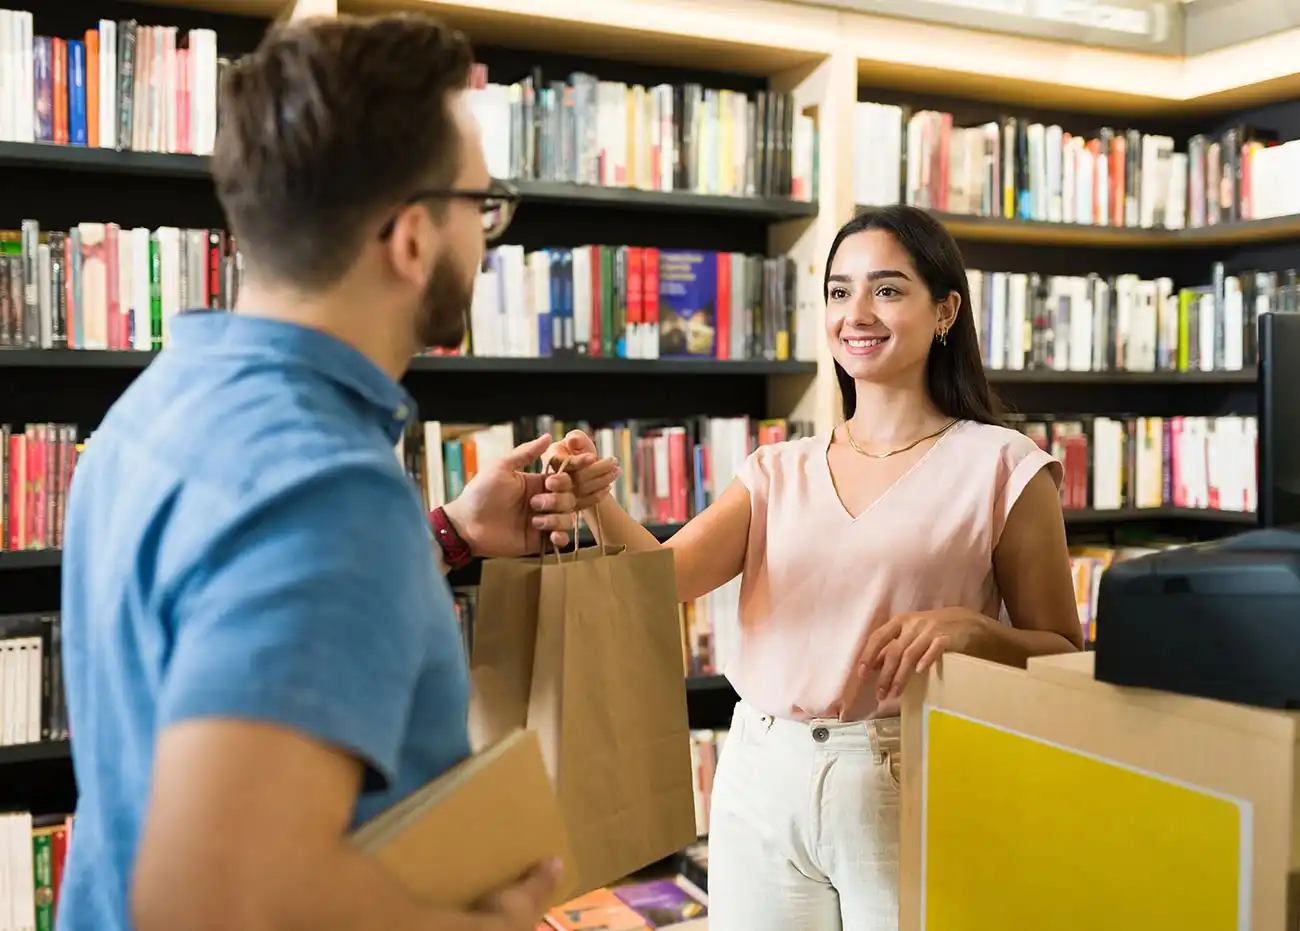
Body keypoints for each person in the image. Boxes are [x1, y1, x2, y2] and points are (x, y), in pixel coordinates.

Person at [56, 13, 610, 931]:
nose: (487, 237)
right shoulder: (324, 489)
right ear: (410, 237)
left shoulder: (158, 409)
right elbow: (211, 900)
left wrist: (453, 534)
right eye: (481, 207)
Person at [540, 205, 1085, 931]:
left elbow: (1062, 652)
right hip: (760, 774)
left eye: (887, 289)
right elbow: (663, 579)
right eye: (838, 290)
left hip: (903, 774)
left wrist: (976, 632)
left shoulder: (1004, 465)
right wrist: (597, 499)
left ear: (945, 309)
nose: (856, 312)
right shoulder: (777, 467)